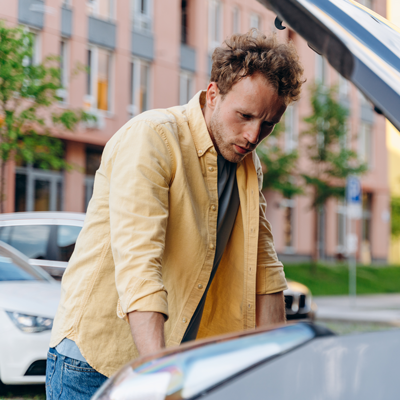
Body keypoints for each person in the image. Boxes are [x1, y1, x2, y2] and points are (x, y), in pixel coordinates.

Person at [45, 30, 304, 399]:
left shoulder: (249, 167)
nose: (252, 135)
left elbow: (264, 270)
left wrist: (277, 374)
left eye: (268, 124)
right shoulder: (152, 138)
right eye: (244, 116)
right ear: (213, 95)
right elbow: (139, 264)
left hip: (174, 362)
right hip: (98, 364)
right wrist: (159, 380)